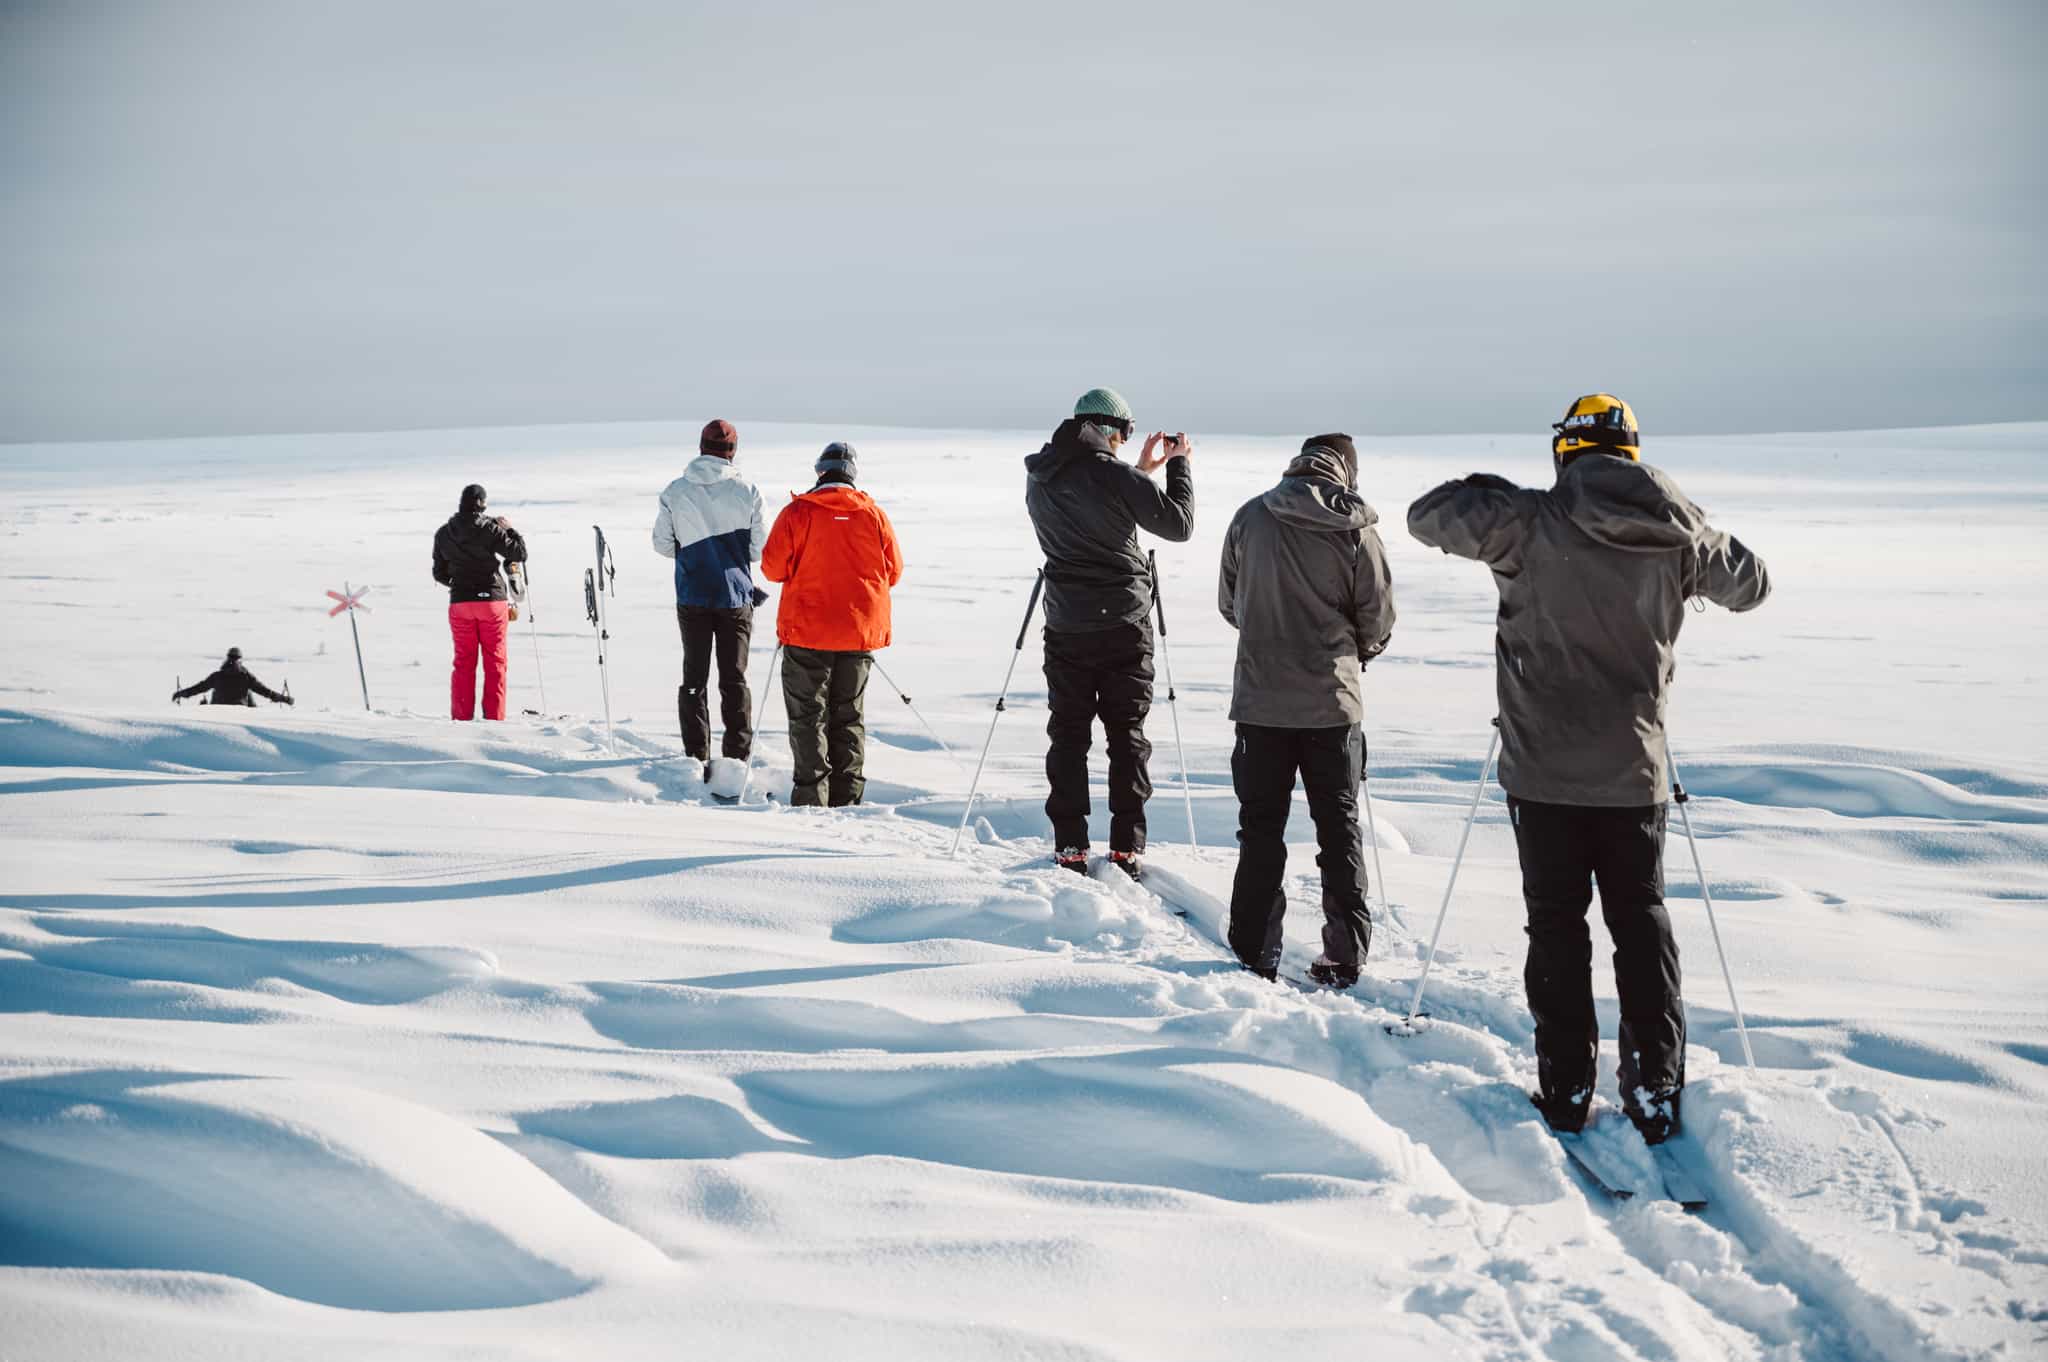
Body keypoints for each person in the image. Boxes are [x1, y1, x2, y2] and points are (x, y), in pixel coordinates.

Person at [1407, 394, 1770, 1144]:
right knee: (1641, 923)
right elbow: (1754, 583)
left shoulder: (1527, 522)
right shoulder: (1677, 533)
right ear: (1632, 452)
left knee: (1556, 927)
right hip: (1633, 773)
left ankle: (1567, 1087)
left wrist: (1493, 490)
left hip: (1541, 772)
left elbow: (1426, 513)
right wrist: (1691, 524)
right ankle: (1657, 1087)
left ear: (1565, 452)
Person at [1217, 434, 1395, 988]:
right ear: (1347, 472)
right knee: (1338, 831)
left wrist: (1269, 634)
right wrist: (1349, 656)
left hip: (1260, 703)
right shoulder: (1357, 530)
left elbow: (1230, 603)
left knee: (1261, 828)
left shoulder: (1250, 517)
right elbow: (1379, 617)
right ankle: (1344, 956)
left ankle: (1255, 952)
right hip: (1332, 707)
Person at [1024, 386, 1195, 878]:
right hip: (1123, 624)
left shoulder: (1043, 474)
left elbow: (1096, 509)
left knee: (1069, 736)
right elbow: (1178, 525)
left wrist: (1139, 472)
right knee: (1126, 737)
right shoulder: (1114, 474)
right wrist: (1179, 465)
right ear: (1109, 428)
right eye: (1126, 431)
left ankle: (1071, 847)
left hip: (1066, 624)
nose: (1126, 440)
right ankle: (1125, 848)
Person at [760, 442, 904, 807]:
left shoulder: (797, 513)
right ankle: (848, 797)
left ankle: (811, 797)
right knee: (848, 714)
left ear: (820, 471)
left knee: (808, 716)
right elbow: (894, 572)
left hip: (806, 630)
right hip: (858, 632)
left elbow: (772, 568)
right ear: (852, 474)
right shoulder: (874, 515)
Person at [653, 419, 767, 764]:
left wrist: (693, 553)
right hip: (734, 596)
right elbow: (758, 549)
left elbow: (662, 544)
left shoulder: (675, 490)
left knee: (694, 677)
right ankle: (736, 757)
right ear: (732, 451)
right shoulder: (747, 491)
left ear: (701, 447)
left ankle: (695, 754)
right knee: (734, 678)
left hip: (692, 594)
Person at [432, 483, 527, 721]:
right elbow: (519, 554)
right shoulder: (490, 529)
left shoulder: (444, 533)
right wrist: (511, 530)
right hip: (492, 602)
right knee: (495, 661)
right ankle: (494, 720)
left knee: (463, 662)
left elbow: (439, 573)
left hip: (460, 603)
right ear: (483, 504)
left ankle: (461, 720)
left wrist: (459, 583)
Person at [173, 647, 294, 707]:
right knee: (249, 693)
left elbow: (199, 688)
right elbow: (266, 692)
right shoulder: (246, 677)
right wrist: (285, 699)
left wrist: (181, 693)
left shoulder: (217, 676)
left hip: (216, 712)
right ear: (240, 660)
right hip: (241, 713)